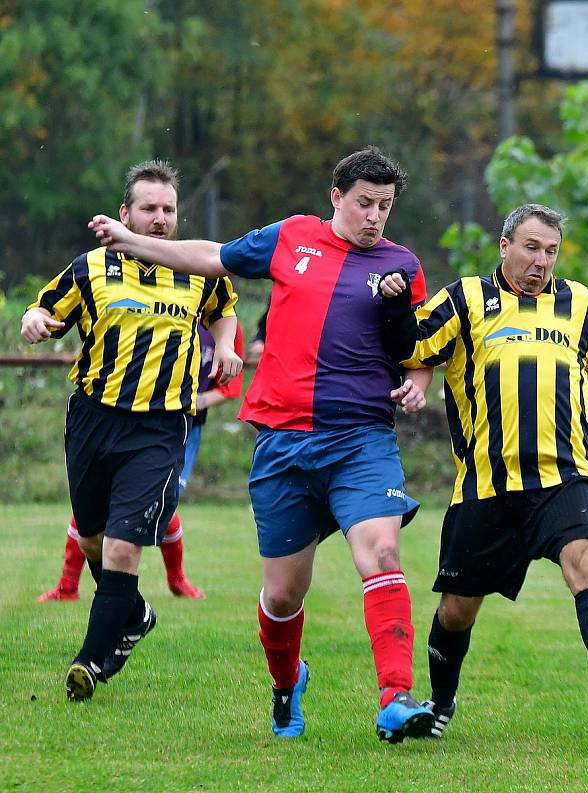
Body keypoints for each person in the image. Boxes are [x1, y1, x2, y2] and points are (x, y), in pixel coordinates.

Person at [87, 147, 436, 742]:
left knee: (381, 554)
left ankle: (395, 697)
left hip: (362, 441)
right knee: (282, 595)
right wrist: (130, 240)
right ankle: (286, 682)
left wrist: (418, 384)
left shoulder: (402, 265)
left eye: (385, 206)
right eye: (364, 204)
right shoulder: (291, 238)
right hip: (284, 444)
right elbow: (210, 257)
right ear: (336, 198)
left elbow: (420, 344)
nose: (375, 217)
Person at [379, 202, 588, 735]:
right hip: (486, 482)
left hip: (564, 475)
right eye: (531, 248)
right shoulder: (465, 299)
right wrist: (391, 306)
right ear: (504, 246)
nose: (541, 261)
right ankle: (440, 702)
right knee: (458, 609)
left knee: (587, 563)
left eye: (550, 251)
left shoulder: (580, 305)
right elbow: (412, 344)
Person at [21, 160, 241, 702]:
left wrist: (230, 346)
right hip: (93, 420)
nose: (161, 218)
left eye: (168, 209)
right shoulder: (91, 268)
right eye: (149, 208)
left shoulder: (196, 269)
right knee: (93, 539)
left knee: (123, 548)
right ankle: (135, 613)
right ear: (126, 213)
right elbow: (44, 309)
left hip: (160, 426)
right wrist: (33, 321)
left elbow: (223, 311)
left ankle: (89, 664)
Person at [37, 322, 245, 602]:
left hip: (182, 427)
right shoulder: (154, 306)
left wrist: (191, 400)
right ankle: (69, 585)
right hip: (137, 421)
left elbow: (229, 389)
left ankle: (175, 580)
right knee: (101, 501)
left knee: (161, 502)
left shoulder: (224, 323)